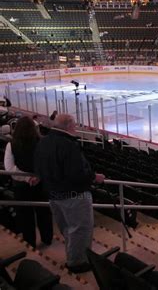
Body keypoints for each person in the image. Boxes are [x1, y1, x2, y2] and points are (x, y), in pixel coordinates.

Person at [34, 114, 105, 273]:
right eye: (74, 125)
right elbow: (77, 174)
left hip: (54, 194)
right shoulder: (68, 145)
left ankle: (73, 254)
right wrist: (94, 177)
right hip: (73, 195)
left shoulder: (44, 141)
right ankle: (77, 263)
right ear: (69, 126)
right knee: (80, 229)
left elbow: (38, 166)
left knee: (67, 228)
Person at [4, 116, 53, 248]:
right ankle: (47, 238)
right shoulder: (42, 142)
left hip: (21, 187)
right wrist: (37, 177)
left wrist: (27, 178)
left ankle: (29, 242)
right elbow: (48, 164)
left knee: (26, 216)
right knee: (44, 213)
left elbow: (10, 168)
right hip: (40, 184)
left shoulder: (11, 145)